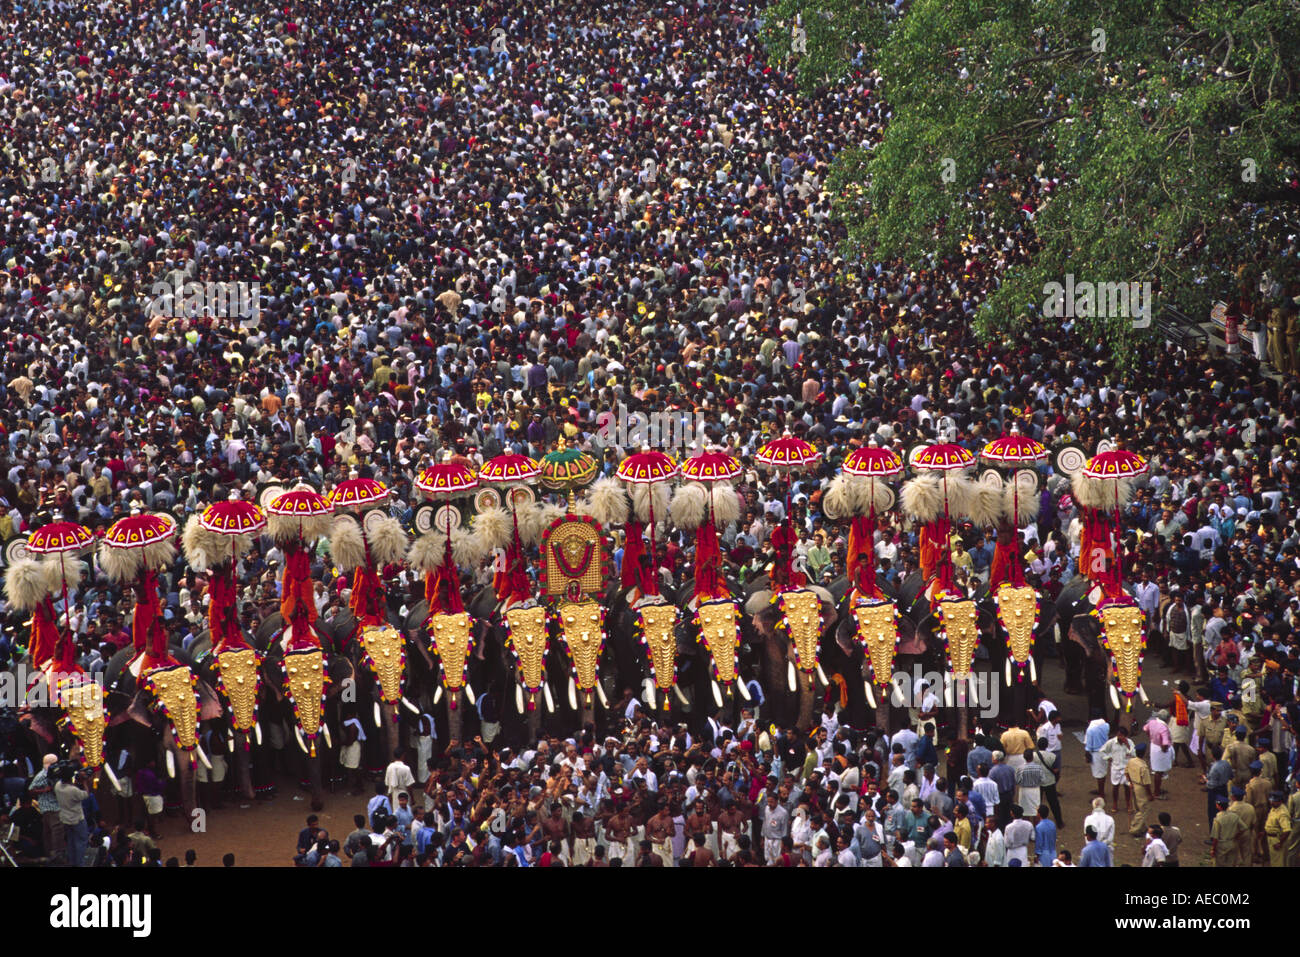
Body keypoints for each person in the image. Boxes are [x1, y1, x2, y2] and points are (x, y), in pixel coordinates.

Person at [1125, 743, 1155, 838]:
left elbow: (1126, 773)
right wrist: (1150, 795)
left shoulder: (1131, 761)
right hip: (1141, 788)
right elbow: (1146, 783)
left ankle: (1142, 827)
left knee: (1138, 807)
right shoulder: (1143, 766)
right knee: (1144, 809)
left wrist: (1130, 782)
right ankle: (1135, 828)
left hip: (1133, 785)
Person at [1264, 791, 1290, 868]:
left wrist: (1280, 843)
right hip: (1271, 838)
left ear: (1280, 801)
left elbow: (1287, 830)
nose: (1272, 802)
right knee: (1274, 861)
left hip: (1277, 839)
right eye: (1271, 800)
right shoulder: (1274, 808)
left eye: (1274, 801)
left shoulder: (1282, 813)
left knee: (1278, 863)